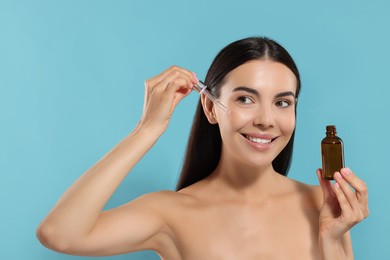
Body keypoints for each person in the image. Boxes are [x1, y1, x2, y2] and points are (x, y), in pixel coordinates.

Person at [36, 36, 369, 259]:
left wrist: (330, 238)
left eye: (282, 102)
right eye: (245, 99)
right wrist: (147, 129)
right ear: (211, 108)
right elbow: (58, 233)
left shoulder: (322, 205)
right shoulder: (172, 212)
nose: (267, 120)